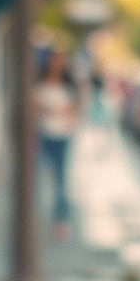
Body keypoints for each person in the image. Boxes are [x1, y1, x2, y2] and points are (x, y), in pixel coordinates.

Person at [34, 49, 81, 238]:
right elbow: (35, 107)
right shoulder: (41, 85)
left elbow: (73, 110)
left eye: (60, 62)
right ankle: (35, 221)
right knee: (37, 180)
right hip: (44, 135)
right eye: (54, 61)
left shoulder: (69, 87)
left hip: (63, 136)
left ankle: (61, 220)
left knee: (61, 181)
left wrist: (57, 111)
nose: (57, 65)